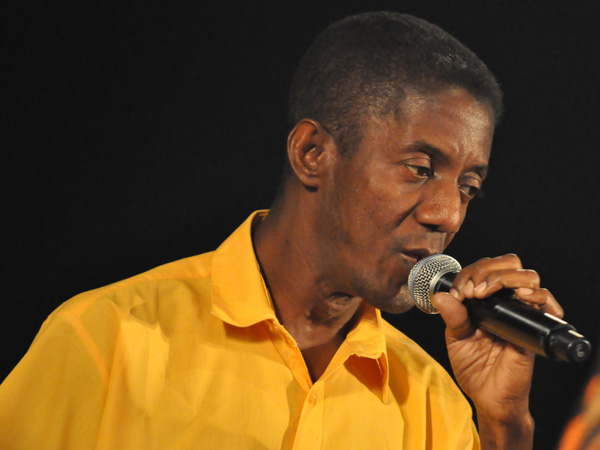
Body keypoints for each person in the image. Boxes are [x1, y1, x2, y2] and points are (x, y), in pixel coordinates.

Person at [0, 11, 563, 449]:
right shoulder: (106, 340)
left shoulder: (432, 400)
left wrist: (504, 427)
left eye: (468, 186)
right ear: (312, 152)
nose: (449, 213)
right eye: (421, 169)